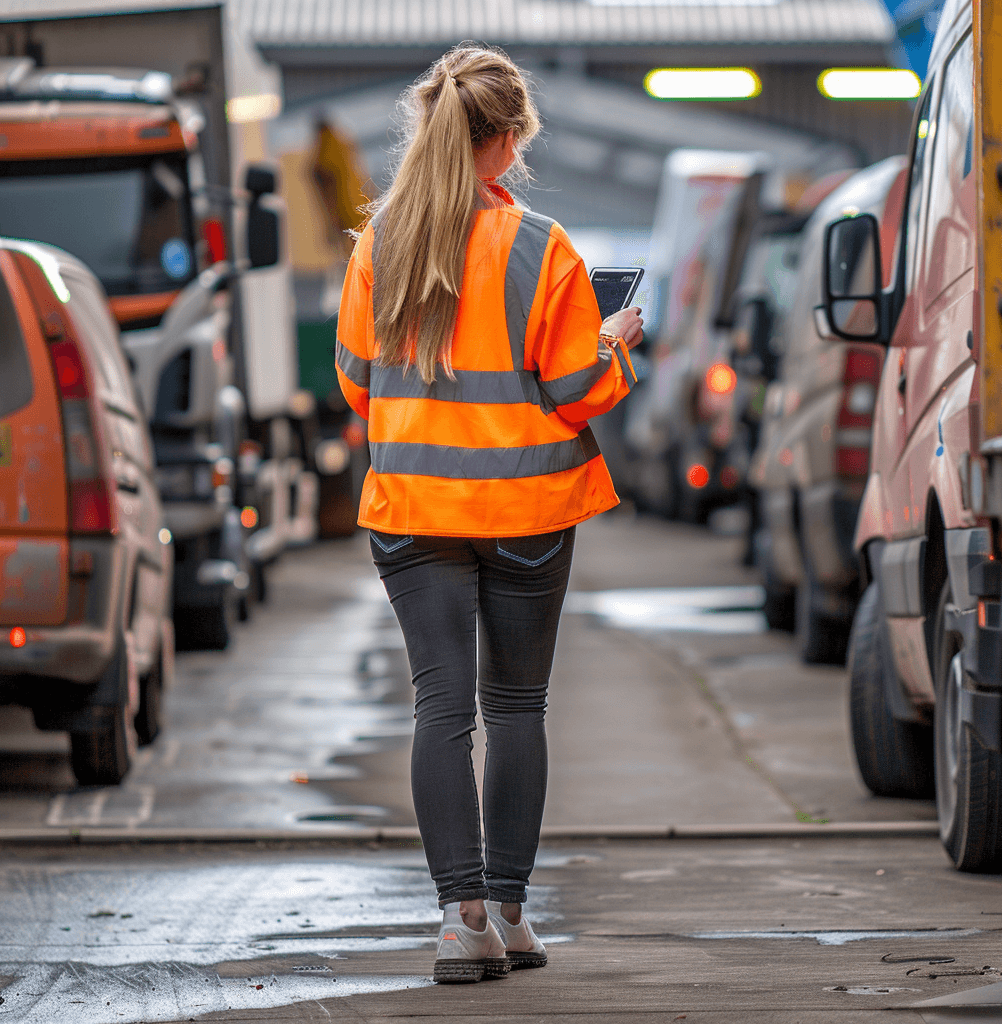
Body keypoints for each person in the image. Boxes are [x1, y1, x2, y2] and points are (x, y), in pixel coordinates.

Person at [335, 43, 643, 984]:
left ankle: (459, 921)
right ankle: (510, 911)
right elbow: (580, 386)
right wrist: (615, 340)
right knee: (515, 708)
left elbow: (357, 383)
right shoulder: (541, 249)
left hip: (413, 512)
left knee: (441, 706)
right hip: (525, 512)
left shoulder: (378, 244)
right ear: (505, 144)